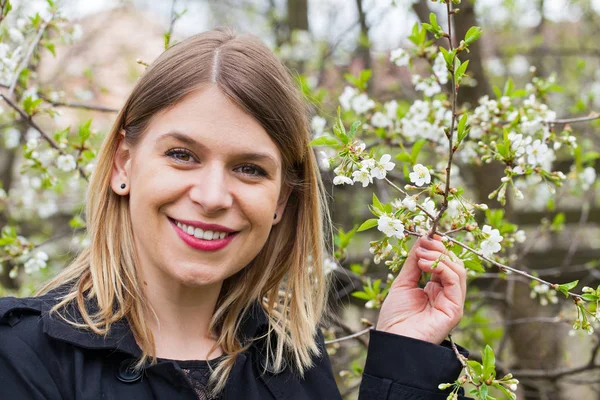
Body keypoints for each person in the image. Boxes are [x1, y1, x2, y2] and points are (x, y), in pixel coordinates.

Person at [0, 28, 469, 400]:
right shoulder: (21, 355)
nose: (212, 196)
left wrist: (405, 361)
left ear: (281, 200)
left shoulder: (291, 363)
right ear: (124, 163)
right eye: (182, 155)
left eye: (249, 169)